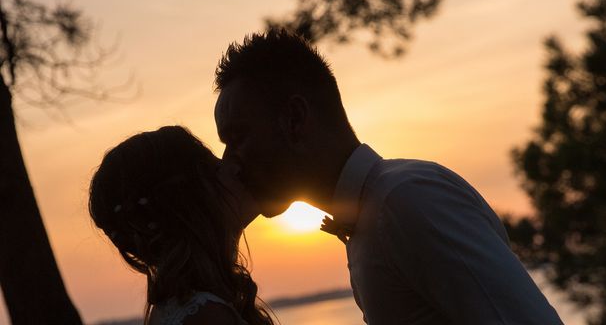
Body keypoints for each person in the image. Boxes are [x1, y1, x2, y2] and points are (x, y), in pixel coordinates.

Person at [214, 29, 565, 325]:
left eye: (238, 138)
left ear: (294, 119)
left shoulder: (407, 201)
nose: (230, 164)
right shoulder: (373, 216)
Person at [88, 125, 274, 325]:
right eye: (214, 167)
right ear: (190, 204)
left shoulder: (189, 307)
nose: (234, 167)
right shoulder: (205, 316)